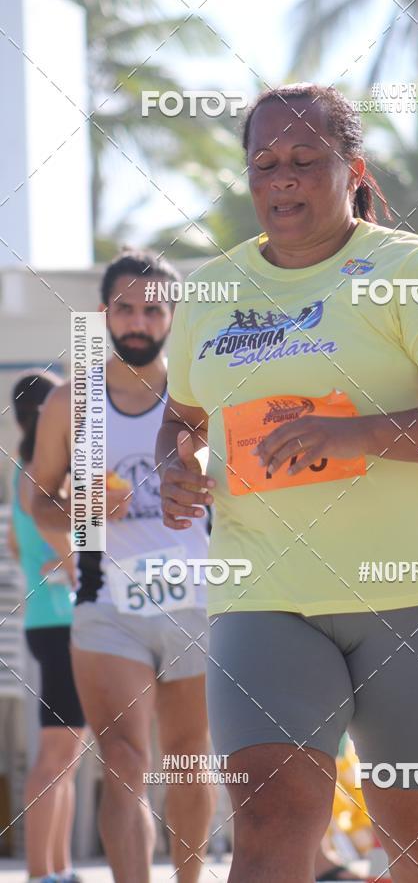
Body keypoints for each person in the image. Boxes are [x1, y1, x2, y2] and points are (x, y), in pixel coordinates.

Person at [156, 82, 418, 883]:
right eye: (264, 163)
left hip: (413, 589)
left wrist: (362, 434)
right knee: (273, 818)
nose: (282, 178)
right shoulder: (210, 291)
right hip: (263, 589)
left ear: (354, 170)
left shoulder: (407, 270)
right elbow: (186, 417)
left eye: (305, 160)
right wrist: (178, 464)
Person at [31, 252, 215, 883]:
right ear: (104, 314)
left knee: (190, 759)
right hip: (107, 603)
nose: (139, 322)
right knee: (125, 760)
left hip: (197, 598)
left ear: (174, 317)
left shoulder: (203, 394)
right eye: (126, 308)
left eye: (155, 309)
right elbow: (38, 504)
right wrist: (77, 509)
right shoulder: (72, 400)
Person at [8, 370, 85, 883]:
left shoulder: (22, 469)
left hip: (49, 621)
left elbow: (18, 548)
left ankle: (59, 869)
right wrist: (75, 565)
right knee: (56, 753)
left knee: (68, 757)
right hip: (62, 623)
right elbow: (49, 533)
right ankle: (41, 873)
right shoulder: (44, 471)